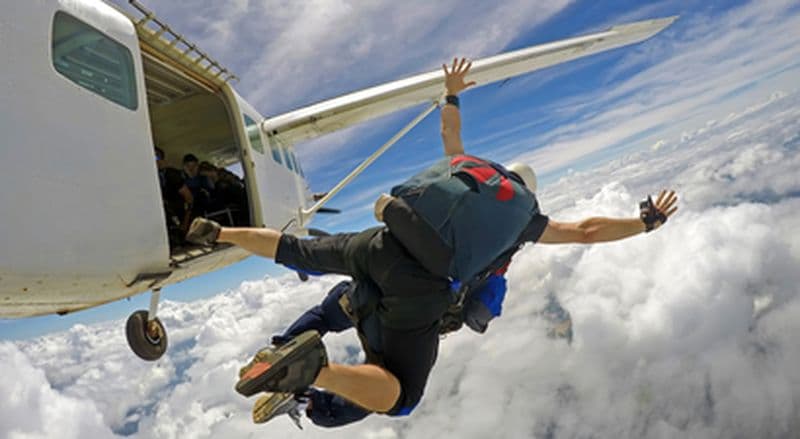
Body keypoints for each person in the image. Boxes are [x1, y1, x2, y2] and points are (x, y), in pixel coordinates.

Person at [186, 58, 678, 426]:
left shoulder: (468, 171)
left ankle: (219, 233)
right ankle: (314, 375)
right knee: (399, 395)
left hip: (377, 246)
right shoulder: (526, 222)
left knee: (301, 257)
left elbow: (449, 130)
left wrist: (452, 90)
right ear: (529, 194)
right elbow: (586, 231)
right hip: (415, 296)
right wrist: (645, 221)